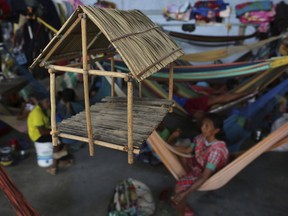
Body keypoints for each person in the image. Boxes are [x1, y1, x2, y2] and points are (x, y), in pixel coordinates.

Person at [169, 113, 229, 216]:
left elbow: (205, 176)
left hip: (206, 174)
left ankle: (182, 211)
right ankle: (186, 184)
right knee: (181, 156)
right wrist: (167, 146)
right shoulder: (201, 138)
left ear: (215, 131)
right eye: (203, 124)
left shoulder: (216, 150)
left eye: (207, 126)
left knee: (178, 190)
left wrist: (184, 194)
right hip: (197, 164)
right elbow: (188, 150)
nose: (202, 128)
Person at [27, 94, 71, 175]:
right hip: (37, 136)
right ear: (40, 102)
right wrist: (56, 130)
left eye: (49, 101)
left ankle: (62, 157)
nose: (48, 103)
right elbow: (42, 132)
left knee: (60, 135)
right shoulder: (37, 113)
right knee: (56, 139)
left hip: (45, 130)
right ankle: (54, 166)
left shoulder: (45, 109)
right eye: (46, 101)